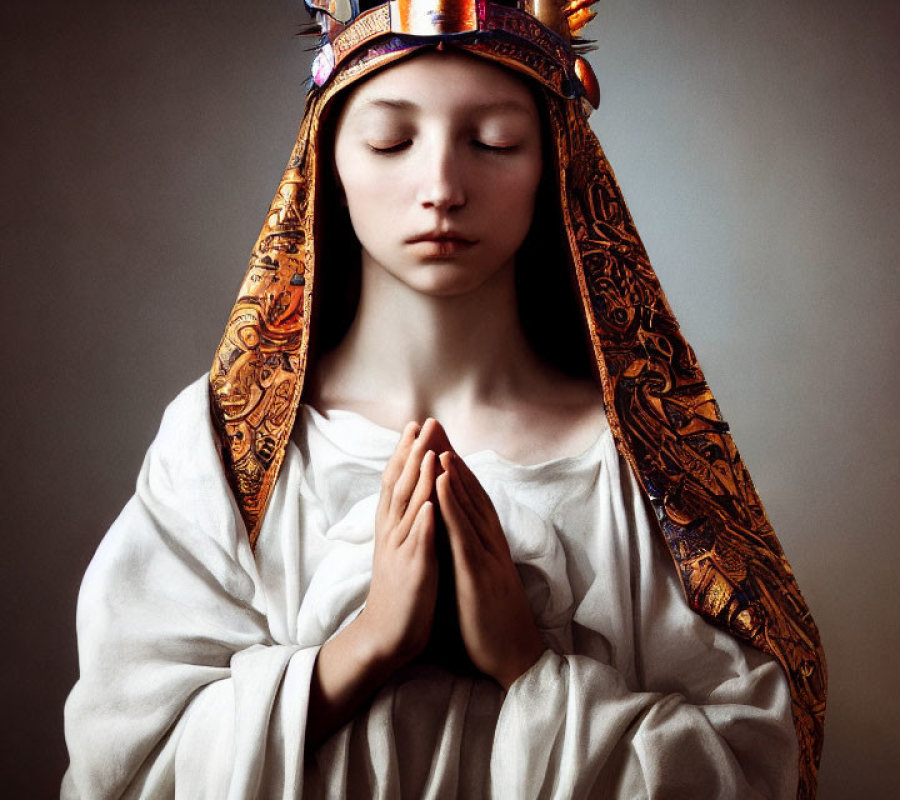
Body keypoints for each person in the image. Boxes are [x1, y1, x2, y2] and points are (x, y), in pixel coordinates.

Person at [63, 2, 826, 798]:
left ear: (554, 163)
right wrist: (362, 649)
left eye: (494, 142)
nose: (442, 187)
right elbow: (127, 761)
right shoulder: (226, 453)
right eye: (392, 141)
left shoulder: (641, 463)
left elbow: (758, 767)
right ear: (328, 159)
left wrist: (525, 663)